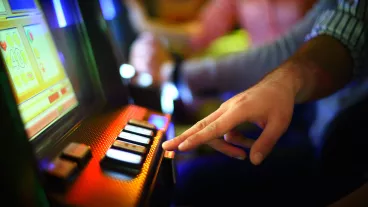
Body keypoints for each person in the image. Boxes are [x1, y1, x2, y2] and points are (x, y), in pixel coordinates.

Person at [130, 0, 368, 206]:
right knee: (188, 163)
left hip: (321, 116)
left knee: (189, 178)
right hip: (294, 103)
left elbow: (296, 47)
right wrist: (142, 25)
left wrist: (176, 74)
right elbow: (199, 32)